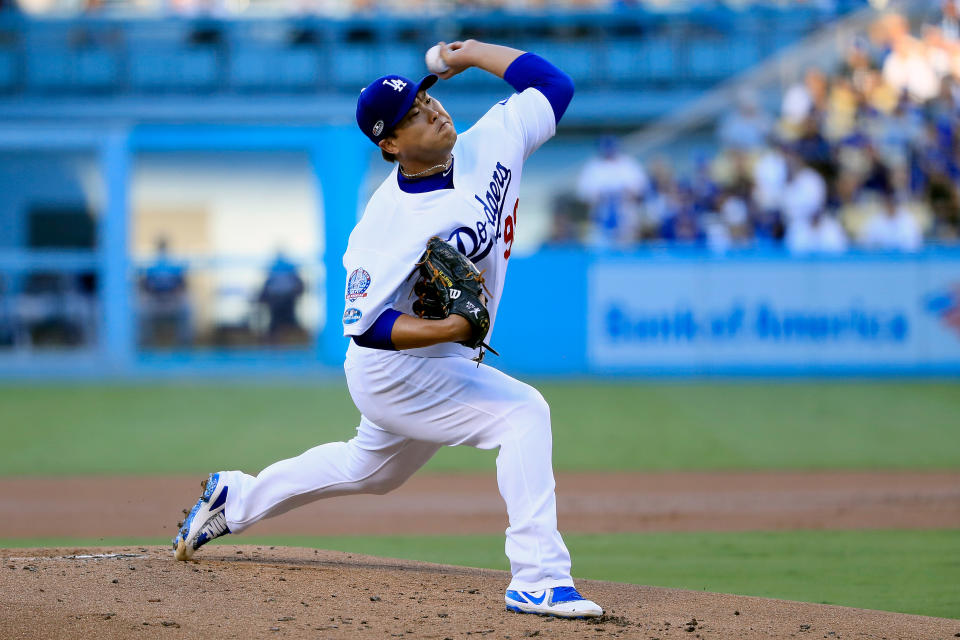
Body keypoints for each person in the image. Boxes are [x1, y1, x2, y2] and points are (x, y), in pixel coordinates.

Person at [171, 40, 604, 620]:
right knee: (523, 414)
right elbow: (367, 326)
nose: (434, 113)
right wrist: (449, 328)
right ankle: (539, 578)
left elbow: (556, 87)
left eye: (428, 100)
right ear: (391, 145)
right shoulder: (386, 223)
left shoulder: (493, 140)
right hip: (393, 372)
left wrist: (471, 52)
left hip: (443, 362)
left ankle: (237, 497)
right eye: (415, 117)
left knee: (368, 471)